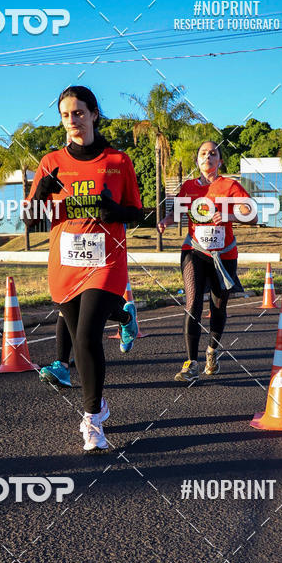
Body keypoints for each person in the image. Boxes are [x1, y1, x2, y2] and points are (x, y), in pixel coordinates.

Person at [29, 86, 142, 451]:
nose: (72, 121)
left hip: (106, 261)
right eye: (65, 115)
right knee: (79, 336)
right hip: (65, 264)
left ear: (94, 114)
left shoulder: (118, 161)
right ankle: (124, 320)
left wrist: (114, 212)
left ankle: (92, 418)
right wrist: (41, 194)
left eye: (78, 113)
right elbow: (30, 221)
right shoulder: (50, 162)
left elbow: (138, 213)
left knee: (88, 337)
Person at [157, 141, 257, 382]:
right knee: (192, 304)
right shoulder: (189, 187)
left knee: (218, 307)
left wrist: (229, 215)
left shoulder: (230, 185)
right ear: (197, 160)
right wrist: (166, 221)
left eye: (213, 153)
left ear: (220, 161)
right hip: (194, 250)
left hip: (224, 256)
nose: (208, 156)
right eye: (203, 153)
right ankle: (190, 363)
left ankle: (212, 350)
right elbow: (179, 212)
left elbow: (252, 216)